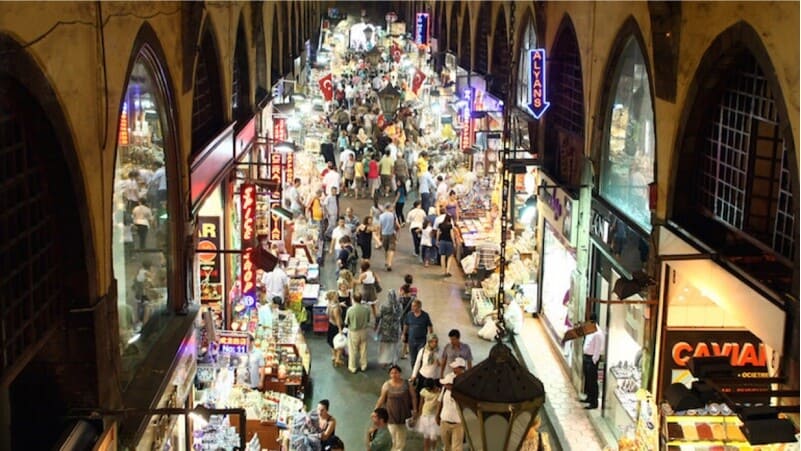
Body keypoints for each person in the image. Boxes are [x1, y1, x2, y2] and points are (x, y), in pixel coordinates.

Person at [375, 365, 418, 451]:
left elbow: (413, 397)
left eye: (396, 372)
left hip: (403, 414)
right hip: (391, 414)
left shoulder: (407, 384)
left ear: (400, 373)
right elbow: (382, 399)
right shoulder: (386, 385)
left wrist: (415, 410)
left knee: (401, 436)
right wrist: (376, 411)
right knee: (393, 435)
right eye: (392, 373)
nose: (394, 375)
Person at [438, 359, 466, 451]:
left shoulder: (465, 385)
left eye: (447, 384)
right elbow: (440, 401)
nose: (445, 385)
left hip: (458, 423)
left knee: (456, 448)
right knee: (446, 447)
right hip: (445, 421)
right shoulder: (446, 387)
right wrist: (438, 415)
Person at [402, 299, 433, 371]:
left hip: (421, 341)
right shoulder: (409, 315)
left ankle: (420, 372)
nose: (412, 308)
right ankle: (414, 373)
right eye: (412, 306)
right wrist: (403, 334)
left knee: (420, 358)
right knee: (413, 359)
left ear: (419, 307)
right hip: (411, 340)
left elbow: (430, 327)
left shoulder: (425, 315)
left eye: (414, 306)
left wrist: (431, 338)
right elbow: (406, 325)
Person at [581, 313, 605, 409]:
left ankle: (594, 402)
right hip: (586, 357)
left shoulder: (598, 333)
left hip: (591, 359)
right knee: (587, 379)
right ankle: (589, 397)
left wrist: (594, 360)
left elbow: (597, 349)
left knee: (592, 381)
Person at [375, 289, 404, 368]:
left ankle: (384, 361)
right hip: (395, 329)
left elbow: (379, 316)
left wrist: (376, 326)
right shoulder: (399, 306)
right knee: (394, 346)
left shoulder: (384, 305)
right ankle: (393, 361)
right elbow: (400, 315)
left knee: (384, 346)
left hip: (385, 329)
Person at [345, 293, 371, 373]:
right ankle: (363, 365)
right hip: (364, 331)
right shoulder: (366, 309)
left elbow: (346, 322)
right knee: (363, 349)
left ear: (353, 299)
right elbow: (368, 320)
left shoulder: (350, 310)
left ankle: (352, 367)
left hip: (354, 332)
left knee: (353, 350)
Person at [415, 381, 442, 451]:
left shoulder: (439, 392)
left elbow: (440, 404)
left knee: (433, 436)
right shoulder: (424, 391)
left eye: (429, 389)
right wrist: (419, 414)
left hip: (434, 415)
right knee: (426, 435)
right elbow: (421, 403)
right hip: (425, 414)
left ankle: (433, 449)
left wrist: (438, 415)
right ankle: (426, 449)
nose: (428, 390)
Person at [378, 203, 400, 271]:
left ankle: (386, 261)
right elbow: (397, 225)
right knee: (391, 249)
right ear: (389, 208)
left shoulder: (381, 216)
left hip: (384, 234)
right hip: (392, 233)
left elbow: (380, 226)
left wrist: (380, 235)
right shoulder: (393, 215)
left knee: (386, 249)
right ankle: (389, 263)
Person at [325, 291, 344, 367]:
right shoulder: (335, 308)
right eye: (336, 295)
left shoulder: (329, 304)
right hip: (336, 326)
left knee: (332, 342)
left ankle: (333, 355)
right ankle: (338, 359)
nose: (338, 296)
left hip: (330, 325)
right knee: (339, 343)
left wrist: (340, 304)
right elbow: (338, 319)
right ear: (332, 297)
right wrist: (340, 329)